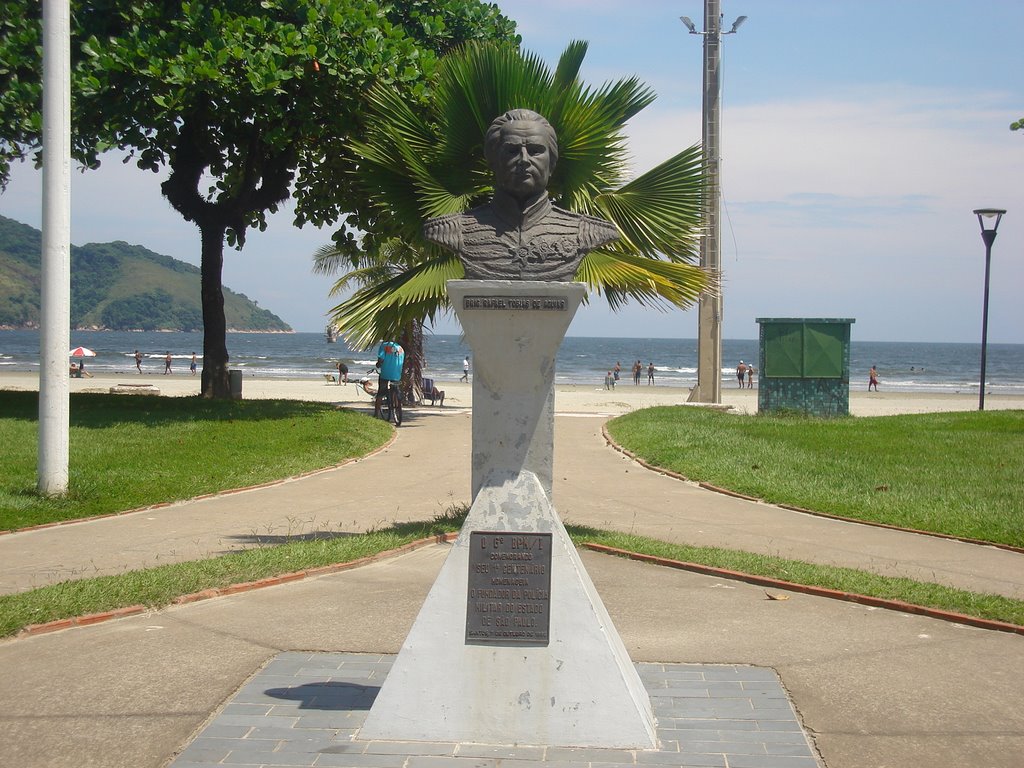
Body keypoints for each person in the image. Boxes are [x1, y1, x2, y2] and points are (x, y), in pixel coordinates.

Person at [423, 109, 619, 281]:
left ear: (552, 163)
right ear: (493, 161)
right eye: (512, 150)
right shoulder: (452, 230)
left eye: (535, 151)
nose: (524, 160)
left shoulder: (586, 232)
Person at [375, 340, 405, 418]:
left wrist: (378, 365)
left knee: (380, 393)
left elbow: (381, 359)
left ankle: (376, 414)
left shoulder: (384, 346)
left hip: (385, 373)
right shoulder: (400, 348)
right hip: (397, 374)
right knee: (395, 389)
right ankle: (397, 407)